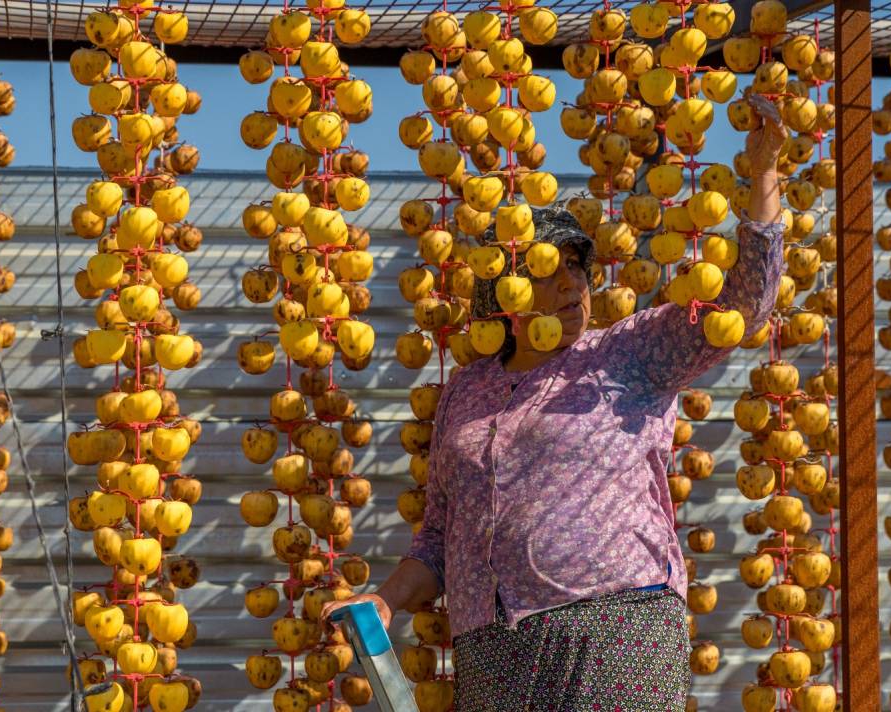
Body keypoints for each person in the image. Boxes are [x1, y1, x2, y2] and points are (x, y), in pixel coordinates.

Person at [322, 99, 787, 711]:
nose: (572, 283)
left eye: (578, 267)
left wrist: (764, 177)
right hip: (492, 650)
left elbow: (744, 306)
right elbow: (439, 535)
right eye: (548, 269)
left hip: (613, 631)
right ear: (504, 290)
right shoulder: (467, 389)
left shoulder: (627, 352)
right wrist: (385, 597)